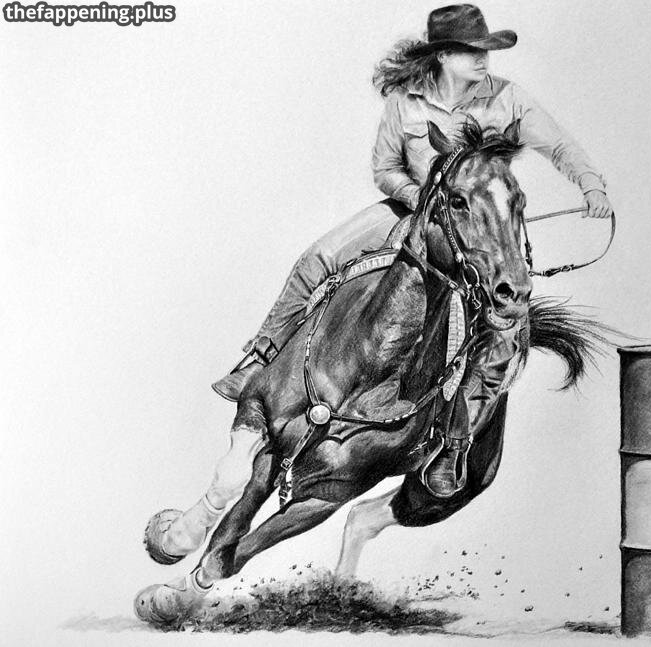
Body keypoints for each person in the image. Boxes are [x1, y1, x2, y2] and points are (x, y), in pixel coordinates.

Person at [213, 5, 615, 449]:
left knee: (506, 328)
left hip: (479, 225)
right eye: (470, 51)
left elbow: (559, 145)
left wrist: (591, 184)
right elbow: (385, 169)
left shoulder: (509, 98)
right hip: (412, 210)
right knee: (319, 257)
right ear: (442, 56)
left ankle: (453, 444)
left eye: (485, 50)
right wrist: (418, 198)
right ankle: (260, 357)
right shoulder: (405, 101)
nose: (483, 59)